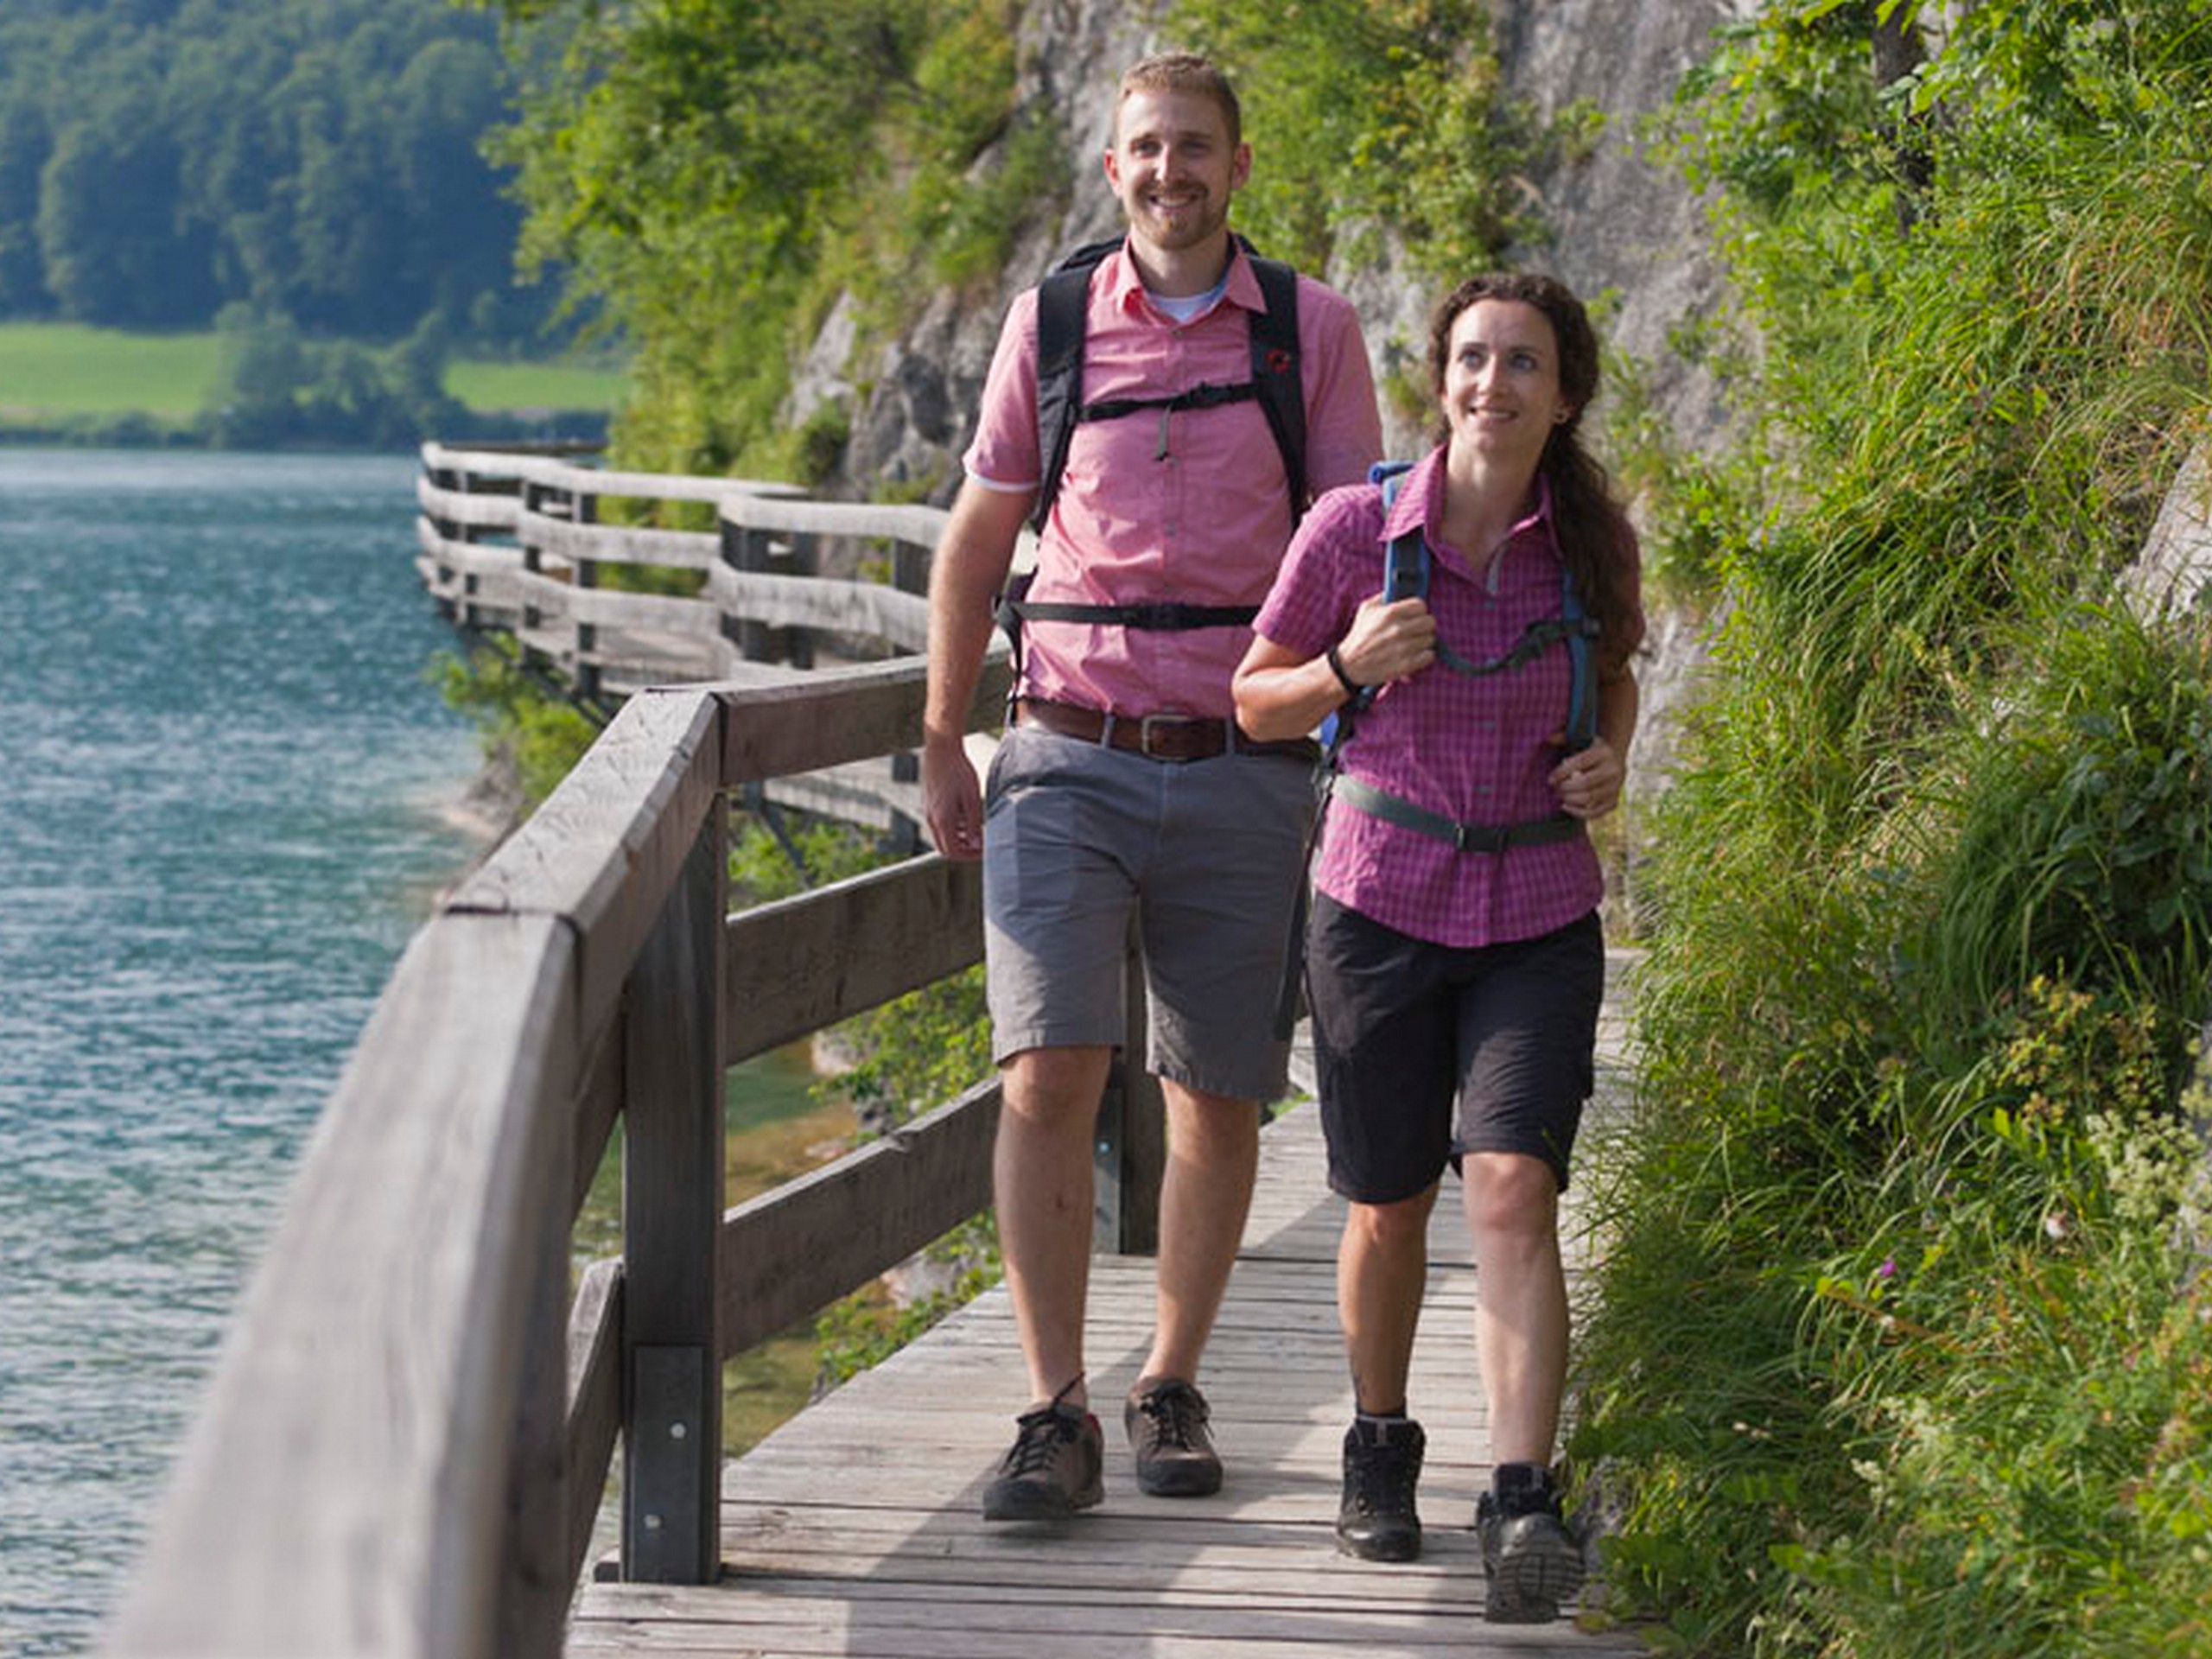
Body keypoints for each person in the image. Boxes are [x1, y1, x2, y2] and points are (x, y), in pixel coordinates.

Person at [921, 51, 1382, 1522]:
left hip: (1248, 763)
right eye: (1144, 149)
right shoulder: (1049, 325)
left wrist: (1365, 726)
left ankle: (1169, 1382)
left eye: (1194, 147)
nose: (1169, 170)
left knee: (1217, 1096)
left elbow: (1361, 541)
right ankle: (1051, 1408)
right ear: (1111, 170)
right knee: (1048, 1069)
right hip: (1064, 751)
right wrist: (943, 733)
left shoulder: (1310, 330)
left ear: (1239, 167)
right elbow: (981, 537)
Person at [1231, 272, 1642, 1621]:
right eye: (1473, 358)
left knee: (1514, 1185)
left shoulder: (1589, 542)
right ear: (1441, 378)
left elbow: (1620, 674)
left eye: (1524, 363)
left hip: (1535, 913)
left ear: (1562, 393)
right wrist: (1347, 667)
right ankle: (1380, 1440)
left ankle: (1523, 1495)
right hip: (1378, 901)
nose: (1494, 384)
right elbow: (1255, 706)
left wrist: (1608, 760)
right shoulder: (1355, 531)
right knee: (1388, 1199)